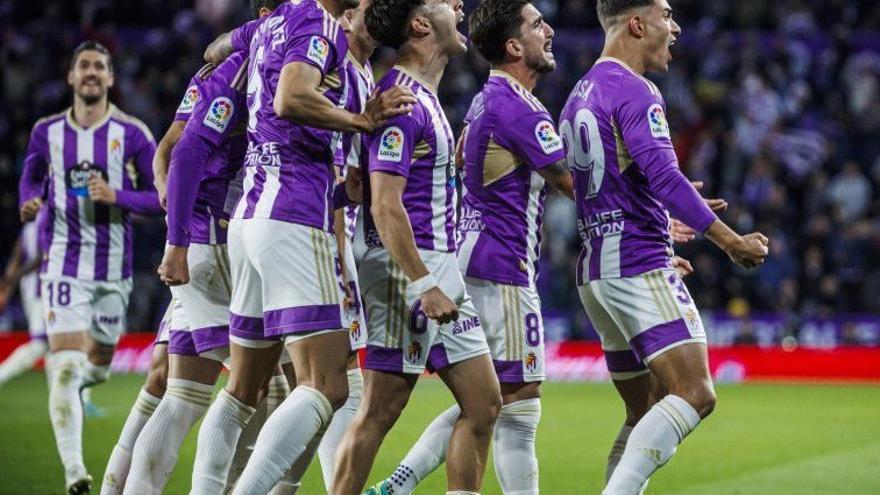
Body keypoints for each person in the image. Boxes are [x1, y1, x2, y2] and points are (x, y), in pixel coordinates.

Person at [189, 0, 416, 493]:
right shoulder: (315, 21)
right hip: (293, 213)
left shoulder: (273, 22)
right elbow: (290, 97)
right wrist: (361, 120)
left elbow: (214, 47)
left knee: (242, 391)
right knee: (327, 385)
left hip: (251, 215)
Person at [559, 1, 769, 493]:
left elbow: (610, 182)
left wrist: (658, 216)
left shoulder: (577, 95)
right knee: (695, 393)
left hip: (595, 269)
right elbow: (665, 175)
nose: (674, 27)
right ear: (637, 23)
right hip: (637, 263)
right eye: (667, 15)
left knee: (644, 411)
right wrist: (729, 240)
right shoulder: (636, 89)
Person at [371, 2, 568, 493]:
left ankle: (397, 484)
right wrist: (653, 221)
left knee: (485, 400)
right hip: (500, 264)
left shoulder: (486, 100)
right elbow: (572, 182)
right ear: (514, 46)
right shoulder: (516, 106)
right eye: (537, 24)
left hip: (474, 256)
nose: (550, 30)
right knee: (517, 402)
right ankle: (399, 483)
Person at [330, 1, 503, 494]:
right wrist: (422, 283)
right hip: (404, 272)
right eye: (447, 2)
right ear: (421, 24)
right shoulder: (400, 99)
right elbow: (385, 206)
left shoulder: (424, 97)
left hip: (439, 268)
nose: (460, 6)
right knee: (380, 409)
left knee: (485, 402)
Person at [18, 40, 162, 494]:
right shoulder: (47, 132)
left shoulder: (133, 134)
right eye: (84, 65)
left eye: (99, 66)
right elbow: (30, 173)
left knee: (96, 367)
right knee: (63, 367)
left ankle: (84, 381)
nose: (91, 73)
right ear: (71, 76)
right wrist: (29, 199)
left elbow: (160, 198)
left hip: (112, 271)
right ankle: (76, 473)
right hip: (62, 263)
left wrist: (116, 195)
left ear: (111, 78)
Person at [0, 218, 48, 389]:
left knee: (55, 346)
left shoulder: (28, 227)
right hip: (41, 290)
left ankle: (70, 398)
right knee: (41, 344)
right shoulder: (47, 219)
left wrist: (7, 286)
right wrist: (8, 284)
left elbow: (16, 256)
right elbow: (42, 256)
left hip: (31, 289)